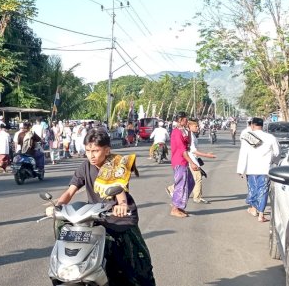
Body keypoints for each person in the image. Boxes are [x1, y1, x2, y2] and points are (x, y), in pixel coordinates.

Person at [45, 128, 155, 286]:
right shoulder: (85, 166)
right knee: (63, 227)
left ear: (107, 150)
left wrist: (121, 205)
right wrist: (58, 206)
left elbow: (119, 190)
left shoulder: (116, 164)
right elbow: (70, 191)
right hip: (94, 215)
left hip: (119, 217)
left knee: (136, 259)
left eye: (95, 151)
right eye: (88, 150)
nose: (91, 155)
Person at [237, 117, 279, 222]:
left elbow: (243, 154)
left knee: (253, 190)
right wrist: (273, 161)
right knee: (263, 191)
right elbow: (277, 153)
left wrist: (241, 169)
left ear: (252, 125)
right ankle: (260, 215)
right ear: (262, 125)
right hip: (265, 169)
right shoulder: (270, 137)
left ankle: (254, 208)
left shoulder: (247, 137)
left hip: (251, 169)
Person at [167, 112, 198, 218]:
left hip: (183, 161)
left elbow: (188, 144)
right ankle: (175, 208)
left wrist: (189, 130)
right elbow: (182, 150)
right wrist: (192, 162)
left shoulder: (183, 131)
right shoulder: (177, 132)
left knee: (190, 182)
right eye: (185, 119)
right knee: (181, 185)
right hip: (179, 161)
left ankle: (179, 206)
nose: (187, 121)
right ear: (180, 120)